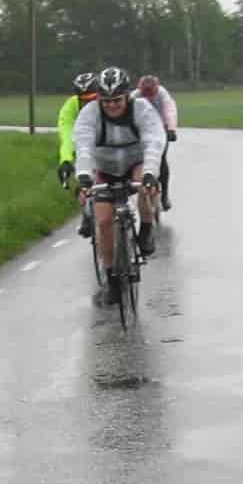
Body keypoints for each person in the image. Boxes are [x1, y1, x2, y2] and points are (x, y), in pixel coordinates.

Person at [73, 66, 166, 307]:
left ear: (127, 96)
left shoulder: (141, 109)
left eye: (117, 100)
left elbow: (154, 141)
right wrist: (83, 178)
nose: (112, 106)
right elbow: (83, 147)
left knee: (145, 188)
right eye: (106, 101)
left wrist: (150, 174)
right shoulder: (90, 114)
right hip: (105, 168)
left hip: (136, 161)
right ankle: (112, 280)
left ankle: (146, 229)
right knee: (103, 221)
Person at [58, 71, 100, 236]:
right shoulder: (70, 107)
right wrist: (66, 160)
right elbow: (67, 136)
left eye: (92, 99)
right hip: (83, 146)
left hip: (106, 145)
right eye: (84, 100)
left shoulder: (107, 104)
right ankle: (87, 214)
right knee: (83, 180)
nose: (88, 103)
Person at [136, 74, 180, 211]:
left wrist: (171, 129)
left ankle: (165, 195)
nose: (148, 97)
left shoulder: (162, 94)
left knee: (161, 159)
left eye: (151, 93)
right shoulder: (135, 96)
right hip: (143, 129)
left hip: (161, 128)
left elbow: (170, 109)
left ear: (156, 89)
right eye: (145, 94)